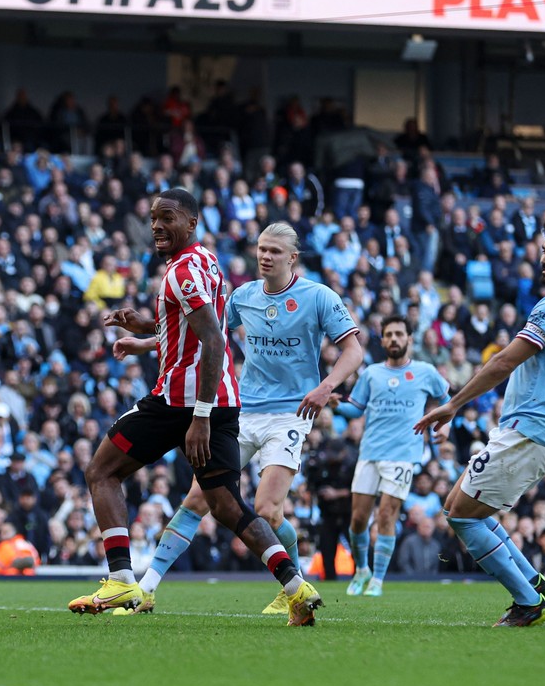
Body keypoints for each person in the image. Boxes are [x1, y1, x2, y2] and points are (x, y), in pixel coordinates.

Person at [67, 192, 324, 626]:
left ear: (191, 222)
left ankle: (121, 578)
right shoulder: (204, 260)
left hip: (180, 401)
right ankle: (298, 588)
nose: (156, 226)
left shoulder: (183, 270)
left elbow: (214, 340)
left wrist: (199, 416)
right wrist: (146, 330)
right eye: (152, 218)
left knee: (101, 472)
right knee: (226, 506)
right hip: (224, 401)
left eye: (167, 218)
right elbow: (191, 323)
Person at [112, 221, 363, 614]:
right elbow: (200, 333)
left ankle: (291, 583)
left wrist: (327, 386)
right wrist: (145, 343)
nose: (264, 256)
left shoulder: (319, 297)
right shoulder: (243, 295)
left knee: (266, 509)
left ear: (292, 258)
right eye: (261, 249)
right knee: (198, 498)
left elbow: (353, 350)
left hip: (291, 414)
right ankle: (147, 587)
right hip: (243, 410)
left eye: (274, 251)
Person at [416, 216, 545, 626]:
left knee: (463, 516)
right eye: (543, 249)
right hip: (544, 434)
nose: (543, 259)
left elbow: (504, 361)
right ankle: (535, 582)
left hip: (531, 432)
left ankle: (530, 603)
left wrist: (453, 404)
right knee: (459, 506)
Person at [335, 315, 451, 596]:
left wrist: (443, 425)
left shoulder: (425, 371)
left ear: (410, 338)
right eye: (389, 334)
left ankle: (378, 580)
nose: (394, 339)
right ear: (383, 339)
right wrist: (335, 404)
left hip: (403, 455)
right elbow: (356, 409)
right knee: (359, 520)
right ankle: (362, 570)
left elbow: (447, 401)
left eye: (399, 334)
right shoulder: (372, 373)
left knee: (387, 514)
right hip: (370, 453)